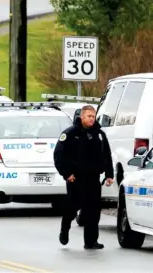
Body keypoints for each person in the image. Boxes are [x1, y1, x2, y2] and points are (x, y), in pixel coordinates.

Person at [53, 105, 114, 250]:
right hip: (76, 179)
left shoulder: (99, 134)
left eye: (93, 116)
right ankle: (65, 229)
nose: (92, 119)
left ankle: (91, 241)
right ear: (82, 117)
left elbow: (107, 155)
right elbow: (59, 156)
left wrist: (109, 174)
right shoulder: (70, 134)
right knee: (72, 208)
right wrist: (67, 173)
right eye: (89, 116)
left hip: (93, 178)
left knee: (93, 211)